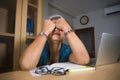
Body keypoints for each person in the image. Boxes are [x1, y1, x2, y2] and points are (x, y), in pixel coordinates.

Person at [19, 15, 90, 70]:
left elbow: (84, 60)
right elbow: (26, 65)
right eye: (52, 27)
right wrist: (44, 31)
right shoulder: (40, 48)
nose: (56, 29)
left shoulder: (67, 50)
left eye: (60, 28)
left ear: (65, 35)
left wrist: (66, 27)